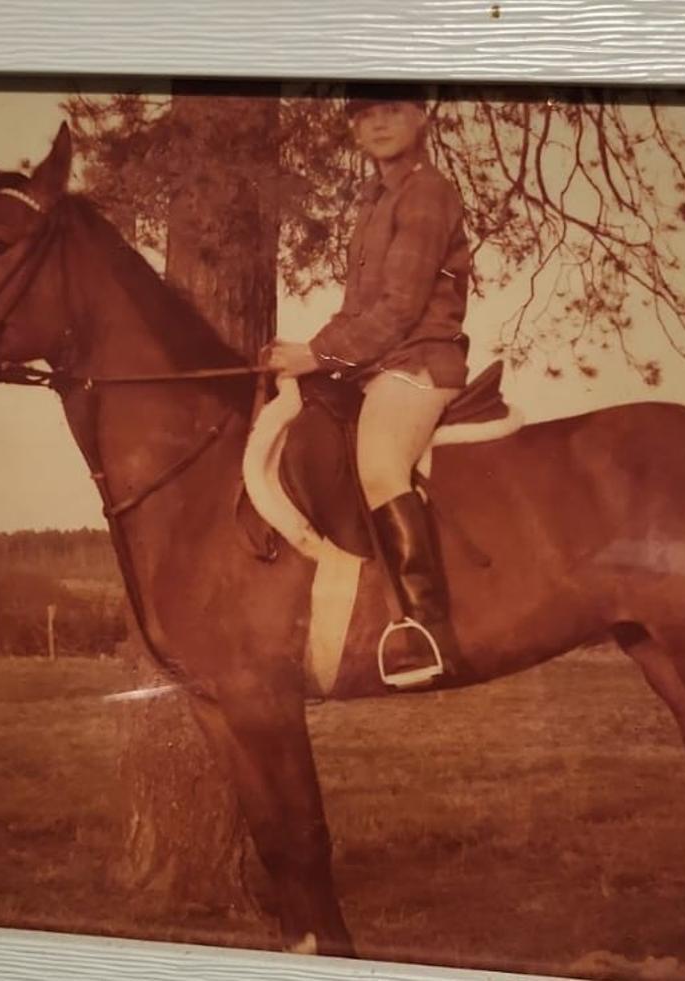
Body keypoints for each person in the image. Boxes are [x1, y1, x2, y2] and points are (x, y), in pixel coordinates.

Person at [267, 82, 472, 686]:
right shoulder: (375, 199)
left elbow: (400, 308)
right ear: (355, 129)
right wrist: (300, 353)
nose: (378, 124)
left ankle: (427, 631)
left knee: (380, 465)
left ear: (420, 118)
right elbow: (357, 312)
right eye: (365, 115)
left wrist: (318, 355)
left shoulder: (426, 193)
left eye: (392, 111)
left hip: (419, 362)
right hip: (376, 364)